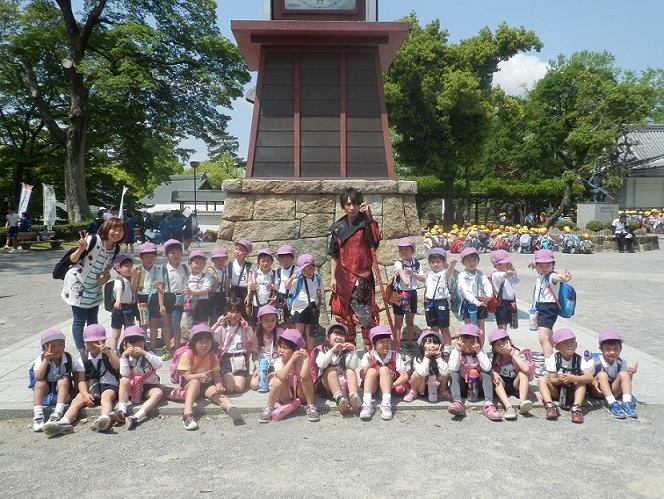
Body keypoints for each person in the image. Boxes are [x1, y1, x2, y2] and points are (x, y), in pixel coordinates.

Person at [42, 324, 120, 436]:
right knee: (77, 400)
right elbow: (81, 380)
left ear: (103, 341)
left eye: (97, 342)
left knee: (106, 397)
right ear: (84, 342)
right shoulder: (83, 358)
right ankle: (65, 421)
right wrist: (84, 394)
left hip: (108, 384)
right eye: (89, 342)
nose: (93, 345)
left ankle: (104, 417)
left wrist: (108, 353)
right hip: (91, 386)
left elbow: (117, 366)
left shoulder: (110, 353)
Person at [61, 219, 126, 353]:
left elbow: (110, 270)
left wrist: (107, 277)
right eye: (114, 229)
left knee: (93, 319)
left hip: (95, 286)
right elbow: (72, 260)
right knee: (79, 320)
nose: (117, 233)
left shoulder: (117, 249)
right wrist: (80, 249)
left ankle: (93, 347)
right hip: (77, 283)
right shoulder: (93, 240)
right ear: (106, 229)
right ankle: (81, 350)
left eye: (121, 230)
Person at [329, 187, 381, 350]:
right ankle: (348, 354)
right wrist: (332, 277)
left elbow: (375, 240)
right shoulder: (337, 228)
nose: (351, 208)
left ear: (360, 205)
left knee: (366, 318)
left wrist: (369, 217)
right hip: (343, 278)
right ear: (343, 206)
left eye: (355, 204)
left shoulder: (366, 223)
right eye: (348, 204)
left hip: (362, 278)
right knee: (345, 319)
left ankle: (370, 355)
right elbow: (334, 255)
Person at [177, 324, 243, 430]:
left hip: (207, 383)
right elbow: (187, 376)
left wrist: (219, 385)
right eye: (200, 342)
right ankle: (187, 413)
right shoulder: (188, 355)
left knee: (217, 394)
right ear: (194, 343)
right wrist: (199, 376)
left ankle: (230, 407)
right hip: (191, 385)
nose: (204, 345)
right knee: (195, 382)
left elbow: (216, 375)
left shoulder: (212, 356)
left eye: (208, 341)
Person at [258, 329, 320, 423]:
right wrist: (291, 360)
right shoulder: (278, 361)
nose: (281, 350)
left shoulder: (301, 360)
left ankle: (310, 406)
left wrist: (307, 359)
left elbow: (304, 376)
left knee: (305, 379)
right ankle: (269, 407)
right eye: (280, 347)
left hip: (300, 394)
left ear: (295, 350)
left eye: (285, 348)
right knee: (278, 379)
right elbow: (282, 376)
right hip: (286, 395)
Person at [109, 326, 164, 430]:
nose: (136, 346)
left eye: (140, 343)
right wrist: (124, 357)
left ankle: (135, 417)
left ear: (144, 343)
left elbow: (159, 364)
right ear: (125, 345)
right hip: (133, 387)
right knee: (124, 380)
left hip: (149, 386)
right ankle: (122, 411)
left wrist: (145, 353)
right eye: (132, 343)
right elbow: (124, 374)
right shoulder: (125, 358)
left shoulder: (149, 355)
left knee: (158, 393)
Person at [447, 324, 502, 421]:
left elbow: (487, 367)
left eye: (472, 342)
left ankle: (488, 404)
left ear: (478, 342)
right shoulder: (457, 353)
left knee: (486, 373)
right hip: (463, 386)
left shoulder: (480, 353)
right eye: (464, 341)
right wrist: (457, 350)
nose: (468, 345)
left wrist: (479, 352)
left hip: (478, 388)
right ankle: (457, 402)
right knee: (453, 374)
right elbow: (453, 368)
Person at [537, 328, 593, 423]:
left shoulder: (580, 359)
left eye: (572, 342)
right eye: (565, 343)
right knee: (541, 380)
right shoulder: (553, 358)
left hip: (573, 392)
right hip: (557, 390)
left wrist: (573, 378)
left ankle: (576, 407)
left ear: (576, 344)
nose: (569, 345)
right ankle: (549, 405)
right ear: (557, 347)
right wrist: (560, 380)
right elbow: (552, 379)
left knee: (581, 382)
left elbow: (590, 377)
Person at [527, 249, 573, 357]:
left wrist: (564, 278)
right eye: (541, 265)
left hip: (548, 308)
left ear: (553, 265)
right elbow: (540, 271)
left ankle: (549, 363)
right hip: (541, 306)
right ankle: (548, 353)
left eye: (548, 265)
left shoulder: (552, 276)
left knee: (542, 337)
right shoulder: (542, 273)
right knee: (548, 333)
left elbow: (557, 278)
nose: (544, 268)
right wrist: (534, 267)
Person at [359, 326, 409, 421]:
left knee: (384, 370)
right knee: (371, 371)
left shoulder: (395, 355)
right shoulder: (368, 355)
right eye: (381, 342)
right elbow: (362, 375)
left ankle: (386, 404)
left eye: (388, 341)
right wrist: (369, 364)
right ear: (374, 344)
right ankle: (366, 404)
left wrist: (392, 386)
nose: (385, 344)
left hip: (388, 387)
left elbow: (404, 376)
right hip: (373, 388)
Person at [310, 323, 362, 414]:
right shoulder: (321, 350)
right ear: (327, 337)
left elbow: (353, 366)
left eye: (341, 335)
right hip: (326, 387)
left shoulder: (346, 351)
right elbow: (321, 364)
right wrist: (332, 351)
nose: (339, 337)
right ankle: (339, 398)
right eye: (336, 334)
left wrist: (353, 351)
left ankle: (353, 396)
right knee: (331, 370)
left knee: (350, 371)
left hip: (344, 384)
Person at [414, 247, 456, 357]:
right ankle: (436, 346)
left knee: (444, 327)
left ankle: (447, 349)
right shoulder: (429, 274)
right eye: (432, 262)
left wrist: (452, 264)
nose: (435, 264)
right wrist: (412, 273)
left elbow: (450, 271)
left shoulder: (445, 274)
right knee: (433, 327)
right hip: (430, 302)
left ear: (443, 262)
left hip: (442, 302)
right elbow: (422, 278)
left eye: (438, 262)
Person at [588, 331, 638, 419]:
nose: (612, 352)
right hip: (598, 391)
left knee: (624, 374)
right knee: (602, 374)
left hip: (613, 390)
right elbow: (585, 378)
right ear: (601, 349)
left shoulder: (621, 363)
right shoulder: (595, 362)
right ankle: (612, 404)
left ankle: (626, 403)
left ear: (620, 349)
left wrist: (630, 373)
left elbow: (626, 381)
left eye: (616, 349)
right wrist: (593, 382)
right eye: (608, 349)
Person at [30, 329, 73, 432]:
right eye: (52, 346)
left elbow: (78, 373)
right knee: (40, 383)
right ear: (44, 348)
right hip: (46, 389)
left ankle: (57, 413)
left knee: (63, 381)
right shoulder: (40, 359)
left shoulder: (68, 358)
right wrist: (46, 360)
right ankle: (38, 416)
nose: (57, 349)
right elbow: (38, 376)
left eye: (61, 345)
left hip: (62, 389)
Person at [211, 298, 255, 394]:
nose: (234, 315)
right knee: (229, 389)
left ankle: (244, 377)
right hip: (226, 359)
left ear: (241, 314)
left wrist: (248, 329)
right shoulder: (222, 328)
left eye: (237, 312)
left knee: (238, 389)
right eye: (231, 311)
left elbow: (255, 341)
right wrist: (218, 323)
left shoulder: (244, 328)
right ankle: (231, 377)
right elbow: (207, 334)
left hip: (241, 358)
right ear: (226, 312)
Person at [488, 328, 534, 420]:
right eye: (497, 344)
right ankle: (508, 407)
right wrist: (493, 373)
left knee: (523, 373)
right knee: (495, 379)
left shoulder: (518, 353)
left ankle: (522, 403)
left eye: (504, 342)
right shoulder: (494, 356)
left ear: (509, 341)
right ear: (494, 348)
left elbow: (526, 369)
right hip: (503, 383)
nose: (502, 346)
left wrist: (513, 355)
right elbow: (487, 368)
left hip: (515, 383)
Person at [284, 254, 323, 351]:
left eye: (309, 269)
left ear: (314, 267)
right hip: (299, 309)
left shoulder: (318, 278)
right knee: (298, 333)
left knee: (310, 333)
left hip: (312, 308)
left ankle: (310, 355)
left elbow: (320, 293)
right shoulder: (298, 279)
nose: (307, 272)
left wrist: (319, 306)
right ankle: (297, 353)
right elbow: (287, 286)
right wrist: (292, 278)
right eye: (304, 270)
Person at [392, 237, 424, 351]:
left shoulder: (416, 264)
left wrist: (413, 273)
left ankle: (409, 343)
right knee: (398, 320)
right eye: (401, 249)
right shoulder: (398, 263)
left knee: (410, 320)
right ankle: (397, 345)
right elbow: (400, 271)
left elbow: (423, 278)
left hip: (412, 293)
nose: (403, 252)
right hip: (399, 293)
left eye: (406, 249)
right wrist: (405, 279)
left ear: (412, 251)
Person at [159, 239, 189, 360]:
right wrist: (161, 304)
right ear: (166, 255)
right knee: (166, 325)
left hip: (179, 298)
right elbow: (160, 288)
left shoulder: (184, 268)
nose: (176, 255)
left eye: (178, 252)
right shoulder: (164, 269)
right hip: (167, 297)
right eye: (172, 253)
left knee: (176, 325)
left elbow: (187, 285)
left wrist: (187, 298)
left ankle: (177, 349)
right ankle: (167, 348)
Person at [457, 247, 493, 347]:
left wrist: (489, 296)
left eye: (474, 260)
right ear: (462, 262)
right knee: (469, 329)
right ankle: (468, 349)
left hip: (481, 303)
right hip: (468, 303)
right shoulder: (462, 275)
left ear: (478, 261)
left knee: (481, 330)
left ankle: (480, 349)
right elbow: (465, 291)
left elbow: (487, 284)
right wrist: (475, 301)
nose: (472, 263)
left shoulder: (480, 274)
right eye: (468, 260)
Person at [402, 330, 450, 403]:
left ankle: (442, 391)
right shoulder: (418, 358)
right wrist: (426, 358)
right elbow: (422, 373)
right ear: (422, 345)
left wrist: (439, 358)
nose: (433, 346)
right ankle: (413, 392)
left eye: (435, 343)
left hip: (436, 386)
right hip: (422, 387)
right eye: (429, 343)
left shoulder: (443, 357)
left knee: (445, 372)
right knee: (416, 374)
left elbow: (445, 373)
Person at [135, 242, 163, 350]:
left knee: (154, 325)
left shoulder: (158, 270)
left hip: (154, 298)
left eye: (152, 257)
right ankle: (140, 346)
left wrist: (161, 305)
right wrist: (134, 278)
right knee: (143, 325)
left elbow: (161, 289)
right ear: (141, 257)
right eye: (146, 257)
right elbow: (133, 288)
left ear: (155, 257)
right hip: (141, 299)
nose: (149, 259)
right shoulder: (137, 270)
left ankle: (152, 347)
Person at [249, 304, 283, 391]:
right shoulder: (257, 334)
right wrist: (257, 367)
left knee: (272, 385)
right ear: (260, 320)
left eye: (273, 320)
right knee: (254, 385)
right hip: (261, 366)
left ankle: (271, 379)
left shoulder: (280, 332)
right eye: (266, 320)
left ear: (276, 320)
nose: (270, 323)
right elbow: (254, 354)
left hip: (275, 365)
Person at [109, 254, 139, 350]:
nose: (130, 268)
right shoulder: (119, 280)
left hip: (129, 308)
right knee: (116, 332)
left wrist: (135, 277)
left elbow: (133, 288)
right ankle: (113, 351)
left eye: (131, 265)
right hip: (119, 308)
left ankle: (127, 349)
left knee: (129, 331)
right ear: (118, 268)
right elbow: (119, 290)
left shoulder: (129, 279)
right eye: (126, 266)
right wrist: (117, 301)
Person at [489, 249, 520, 331]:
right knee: (502, 325)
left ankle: (505, 339)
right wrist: (507, 274)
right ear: (497, 265)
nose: (509, 264)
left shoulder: (506, 272)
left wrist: (513, 271)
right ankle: (501, 339)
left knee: (511, 323)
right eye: (506, 263)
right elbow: (501, 276)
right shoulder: (496, 274)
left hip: (510, 302)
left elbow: (517, 280)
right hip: (501, 303)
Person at [247, 248, 278, 326]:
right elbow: (251, 286)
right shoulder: (255, 274)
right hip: (257, 304)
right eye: (263, 261)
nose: (265, 263)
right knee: (257, 324)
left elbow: (278, 288)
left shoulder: (274, 274)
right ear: (258, 262)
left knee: (269, 324)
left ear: (272, 262)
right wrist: (252, 288)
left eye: (268, 261)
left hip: (270, 305)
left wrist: (273, 286)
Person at [184, 250, 213, 326]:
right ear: (189, 264)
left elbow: (206, 290)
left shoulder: (206, 276)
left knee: (202, 323)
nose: (199, 265)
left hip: (202, 302)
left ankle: (203, 337)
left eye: (201, 263)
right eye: (196, 263)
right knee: (190, 323)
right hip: (189, 302)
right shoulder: (187, 276)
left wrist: (191, 292)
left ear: (205, 264)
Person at [275, 245, 296, 328]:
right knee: (281, 320)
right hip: (281, 298)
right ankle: (284, 337)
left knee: (291, 319)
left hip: (292, 297)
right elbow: (277, 286)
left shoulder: (297, 269)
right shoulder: (279, 271)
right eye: (282, 259)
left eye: (288, 258)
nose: (285, 261)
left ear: (292, 258)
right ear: (279, 260)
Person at [228, 238, 253, 304]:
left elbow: (249, 281)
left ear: (247, 253)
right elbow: (228, 279)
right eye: (236, 249)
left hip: (244, 290)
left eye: (241, 250)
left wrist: (249, 295)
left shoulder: (249, 266)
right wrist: (227, 293)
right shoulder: (231, 264)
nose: (237, 251)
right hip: (234, 289)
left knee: (245, 307)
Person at [208, 246, 229, 321]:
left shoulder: (225, 269)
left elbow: (226, 282)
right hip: (214, 296)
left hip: (222, 295)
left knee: (223, 316)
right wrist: (216, 281)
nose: (221, 261)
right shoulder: (211, 271)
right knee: (215, 317)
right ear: (212, 260)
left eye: (223, 259)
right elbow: (211, 289)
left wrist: (227, 294)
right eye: (218, 259)